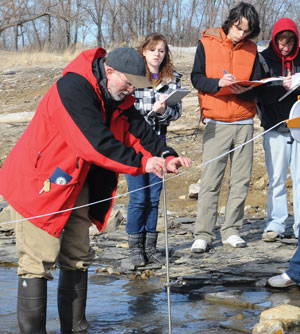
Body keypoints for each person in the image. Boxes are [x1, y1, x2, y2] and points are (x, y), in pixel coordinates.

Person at [0, 47, 191, 333]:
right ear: (109, 71)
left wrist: (164, 153)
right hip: (40, 182)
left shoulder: (116, 94)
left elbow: (137, 129)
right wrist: (143, 163)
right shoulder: (73, 88)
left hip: (78, 182)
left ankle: (76, 327)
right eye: (127, 84)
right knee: (37, 261)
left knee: (77, 257)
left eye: (134, 87)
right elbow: (93, 143)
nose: (130, 91)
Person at [190, 2, 261, 253]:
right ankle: (204, 234)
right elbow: (196, 78)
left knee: (240, 181)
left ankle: (231, 230)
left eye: (247, 31)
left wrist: (249, 88)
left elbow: (258, 83)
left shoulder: (253, 49)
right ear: (230, 21)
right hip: (216, 122)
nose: (241, 34)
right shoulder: (206, 43)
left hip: (244, 122)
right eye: (238, 28)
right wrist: (218, 83)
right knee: (210, 181)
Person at [126, 33, 183, 267]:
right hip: (135, 144)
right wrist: (150, 109)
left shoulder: (172, 79)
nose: (157, 54)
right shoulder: (133, 76)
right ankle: (134, 249)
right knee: (138, 198)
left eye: (161, 50)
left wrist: (163, 112)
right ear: (144, 52)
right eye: (152, 50)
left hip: (160, 142)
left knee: (153, 198)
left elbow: (177, 112)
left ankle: (151, 248)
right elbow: (126, 108)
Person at [256, 18, 300, 242]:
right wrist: (279, 87)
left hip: (299, 128)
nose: (285, 48)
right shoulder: (263, 59)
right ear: (274, 41)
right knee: (276, 178)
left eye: (289, 44)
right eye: (282, 44)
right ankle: (276, 223)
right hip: (274, 126)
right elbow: (258, 93)